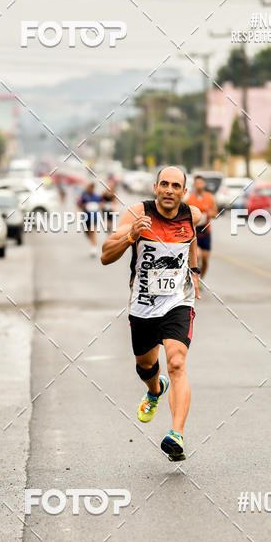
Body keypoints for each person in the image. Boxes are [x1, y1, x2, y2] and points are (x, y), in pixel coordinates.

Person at [100, 166, 201, 462]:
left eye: (176, 186)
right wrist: (131, 235)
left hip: (178, 301)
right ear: (155, 187)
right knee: (146, 365)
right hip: (143, 304)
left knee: (177, 361)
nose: (169, 190)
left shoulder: (192, 215)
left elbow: (190, 240)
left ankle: (176, 435)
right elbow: (106, 255)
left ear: (184, 192)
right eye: (164, 184)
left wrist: (193, 271)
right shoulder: (136, 213)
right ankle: (155, 390)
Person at [185, 175, 217, 280]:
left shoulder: (210, 197)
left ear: (204, 184)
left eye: (200, 183)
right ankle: (194, 277)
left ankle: (200, 280)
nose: (199, 185)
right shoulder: (189, 198)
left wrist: (208, 214)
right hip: (194, 231)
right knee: (197, 255)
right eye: (196, 183)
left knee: (205, 259)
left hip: (206, 231)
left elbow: (215, 213)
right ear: (194, 185)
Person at [78, 182, 102, 257]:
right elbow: (79, 204)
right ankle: (91, 241)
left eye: (92, 188)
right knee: (87, 233)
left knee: (93, 232)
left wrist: (98, 206)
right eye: (89, 187)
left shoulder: (96, 196)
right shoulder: (84, 195)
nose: (91, 189)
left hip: (93, 217)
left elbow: (101, 202)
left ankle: (94, 248)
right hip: (85, 217)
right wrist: (84, 206)